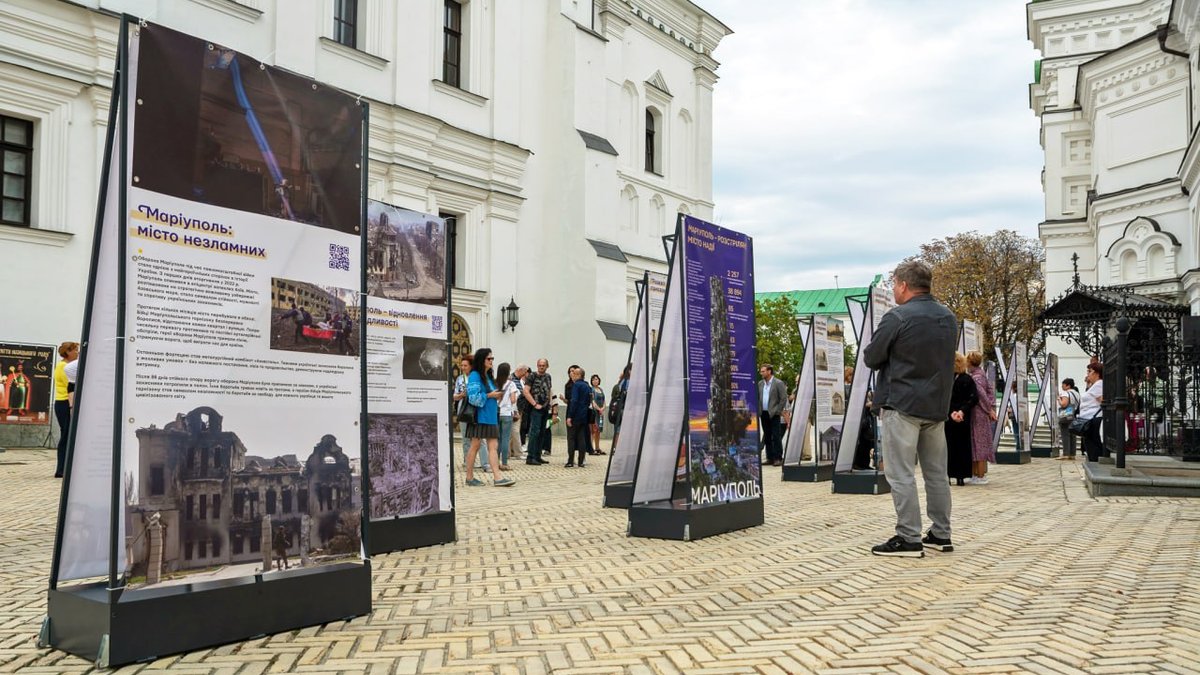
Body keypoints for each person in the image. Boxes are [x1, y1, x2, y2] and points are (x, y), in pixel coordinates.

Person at [862, 261, 957, 557]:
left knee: (901, 474)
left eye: (894, 285)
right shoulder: (948, 317)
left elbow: (871, 357)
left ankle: (909, 537)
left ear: (903, 285)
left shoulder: (898, 317)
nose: (893, 291)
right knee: (936, 474)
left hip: (901, 404)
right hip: (936, 406)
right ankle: (941, 534)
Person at [464, 348, 514, 487]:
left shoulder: (489, 376)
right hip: (479, 417)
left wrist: (498, 395)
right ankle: (469, 477)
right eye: (489, 359)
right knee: (475, 446)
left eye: (492, 358)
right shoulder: (475, 375)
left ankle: (497, 478)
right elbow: (473, 398)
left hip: (491, 417)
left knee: (493, 446)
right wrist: (490, 395)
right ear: (482, 360)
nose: (492, 361)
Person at [945, 353, 977, 486]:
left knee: (949, 446)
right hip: (962, 417)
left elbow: (944, 398)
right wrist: (962, 411)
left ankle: (949, 474)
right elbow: (973, 398)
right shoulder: (968, 379)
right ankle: (960, 476)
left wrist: (953, 411)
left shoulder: (948, 380)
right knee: (961, 446)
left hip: (950, 417)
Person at [966, 351, 997, 484]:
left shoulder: (976, 377)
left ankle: (980, 475)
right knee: (979, 443)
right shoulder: (981, 375)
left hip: (978, 413)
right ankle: (977, 474)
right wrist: (991, 407)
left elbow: (982, 395)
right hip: (982, 413)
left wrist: (989, 409)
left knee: (978, 443)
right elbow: (990, 392)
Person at [453, 356, 488, 471]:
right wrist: (460, 395)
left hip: (477, 412)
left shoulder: (479, 378)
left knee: (480, 439)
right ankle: (468, 462)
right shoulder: (459, 379)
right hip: (464, 412)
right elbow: (455, 396)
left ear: (472, 366)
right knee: (466, 439)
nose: (463, 368)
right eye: (461, 365)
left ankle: (485, 464)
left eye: (465, 365)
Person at [53, 342, 79, 478]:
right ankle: (61, 469)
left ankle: (64, 468)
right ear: (68, 352)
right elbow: (72, 385)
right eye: (75, 350)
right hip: (65, 403)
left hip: (63, 403)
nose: (77, 353)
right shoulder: (64, 367)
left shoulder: (62, 366)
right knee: (66, 436)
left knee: (67, 435)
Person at [522, 358, 553, 465]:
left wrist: (550, 404)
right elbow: (525, 391)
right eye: (539, 365)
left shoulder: (548, 377)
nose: (541, 367)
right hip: (535, 408)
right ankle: (530, 457)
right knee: (534, 432)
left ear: (547, 366)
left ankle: (537, 455)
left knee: (542, 432)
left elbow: (549, 390)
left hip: (545, 408)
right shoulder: (532, 376)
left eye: (543, 365)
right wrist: (535, 404)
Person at [758, 365, 788, 466]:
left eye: (763, 371)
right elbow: (759, 397)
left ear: (769, 372)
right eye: (761, 371)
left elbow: (783, 398)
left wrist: (778, 411)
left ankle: (778, 458)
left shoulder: (778, 383)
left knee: (776, 436)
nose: (761, 373)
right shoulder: (760, 384)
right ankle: (769, 457)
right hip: (764, 413)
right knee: (767, 436)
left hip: (774, 413)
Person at [566, 366, 593, 467]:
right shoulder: (587, 386)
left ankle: (570, 461)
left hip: (576, 415)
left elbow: (574, 401)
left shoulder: (576, 385)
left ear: (578, 375)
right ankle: (581, 461)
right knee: (581, 438)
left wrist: (570, 416)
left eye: (574, 373)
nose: (572, 375)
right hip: (584, 415)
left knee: (571, 438)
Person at [1080, 362, 1105, 462]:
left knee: (1092, 445)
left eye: (1090, 371)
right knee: (1090, 444)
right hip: (1090, 418)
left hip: (1093, 419)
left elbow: (1102, 401)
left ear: (1097, 373)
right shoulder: (1095, 385)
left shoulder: (1099, 385)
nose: (1088, 374)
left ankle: (1094, 462)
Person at [496, 362, 518, 471]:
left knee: (497, 439)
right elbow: (513, 400)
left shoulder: (495, 383)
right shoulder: (511, 384)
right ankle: (504, 463)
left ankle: (495, 462)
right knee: (505, 439)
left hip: (496, 413)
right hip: (507, 413)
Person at [1056, 378, 1081, 460]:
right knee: (1072, 434)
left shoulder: (1066, 393)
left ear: (1068, 385)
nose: (1062, 386)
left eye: (1063, 385)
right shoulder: (1076, 393)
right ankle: (1072, 454)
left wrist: (1059, 399)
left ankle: (1065, 453)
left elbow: (1064, 404)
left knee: (1065, 434)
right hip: (1073, 415)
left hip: (1065, 415)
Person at [609, 363, 631, 452]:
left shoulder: (622, 380)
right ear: (629, 371)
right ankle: (618, 448)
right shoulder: (627, 382)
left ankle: (616, 447)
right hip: (624, 407)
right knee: (620, 429)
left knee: (617, 428)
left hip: (618, 408)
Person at [589, 374, 606, 455]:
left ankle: (597, 447)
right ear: (591, 381)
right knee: (593, 430)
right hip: (594, 413)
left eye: (596, 379)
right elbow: (592, 402)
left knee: (599, 430)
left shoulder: (601, 389)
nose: (595, 381)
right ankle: (591, 448)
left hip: (601, 413)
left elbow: (604, 401)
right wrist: (599, 409)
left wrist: (603, 408)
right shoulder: (591, 390)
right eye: (593, 379)